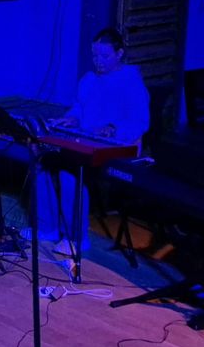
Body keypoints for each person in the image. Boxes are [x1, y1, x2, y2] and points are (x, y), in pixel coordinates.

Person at [38, 27, 150, 255]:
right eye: (95, 55)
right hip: (88, 142)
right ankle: (47, 229)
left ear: (119, 53)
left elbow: (140, 122)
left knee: (70, 174)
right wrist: (71, 118)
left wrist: (113, 128)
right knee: (43, 164)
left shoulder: (131, 81)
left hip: (118, 148)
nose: (98, 61)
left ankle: (76, 238)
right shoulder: (89, 80)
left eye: (105, 56)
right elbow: (79, 108)